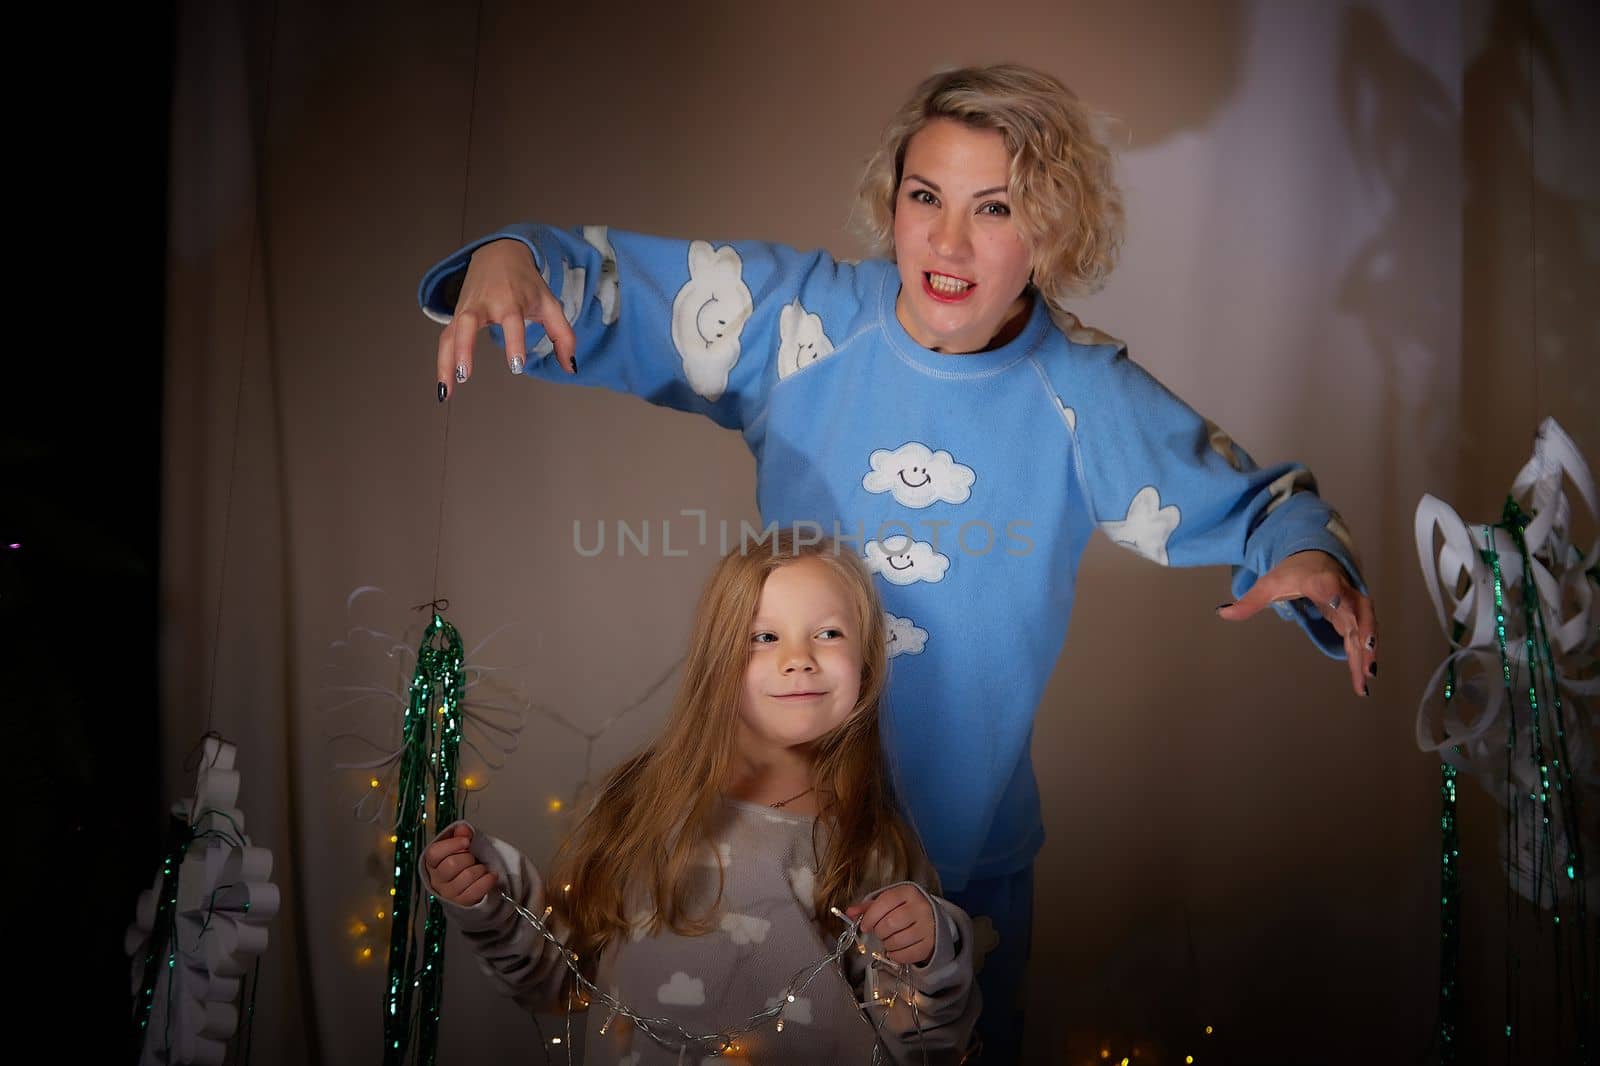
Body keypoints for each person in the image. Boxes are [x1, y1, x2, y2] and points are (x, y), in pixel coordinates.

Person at [417, 63, 1379, 1062]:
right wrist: (510, 257)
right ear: (892, 202)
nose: (947, 241)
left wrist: (1303, 557)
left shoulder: (1080, 393)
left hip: (959, 858)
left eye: (993, 208)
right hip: (766, 840)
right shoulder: (802, 325)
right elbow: (614, 284)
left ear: (1052, 229)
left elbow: (1257, 502)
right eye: (924, 197)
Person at [422, 533, 979, 1064]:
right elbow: (561, 985)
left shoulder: (872, 843)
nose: (800, 659)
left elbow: (923, 1048)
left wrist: (930, 954)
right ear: (717, 659)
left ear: (866, 658)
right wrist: (494, 902)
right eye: (764, 637)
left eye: (829, 633)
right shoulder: (636, 806)